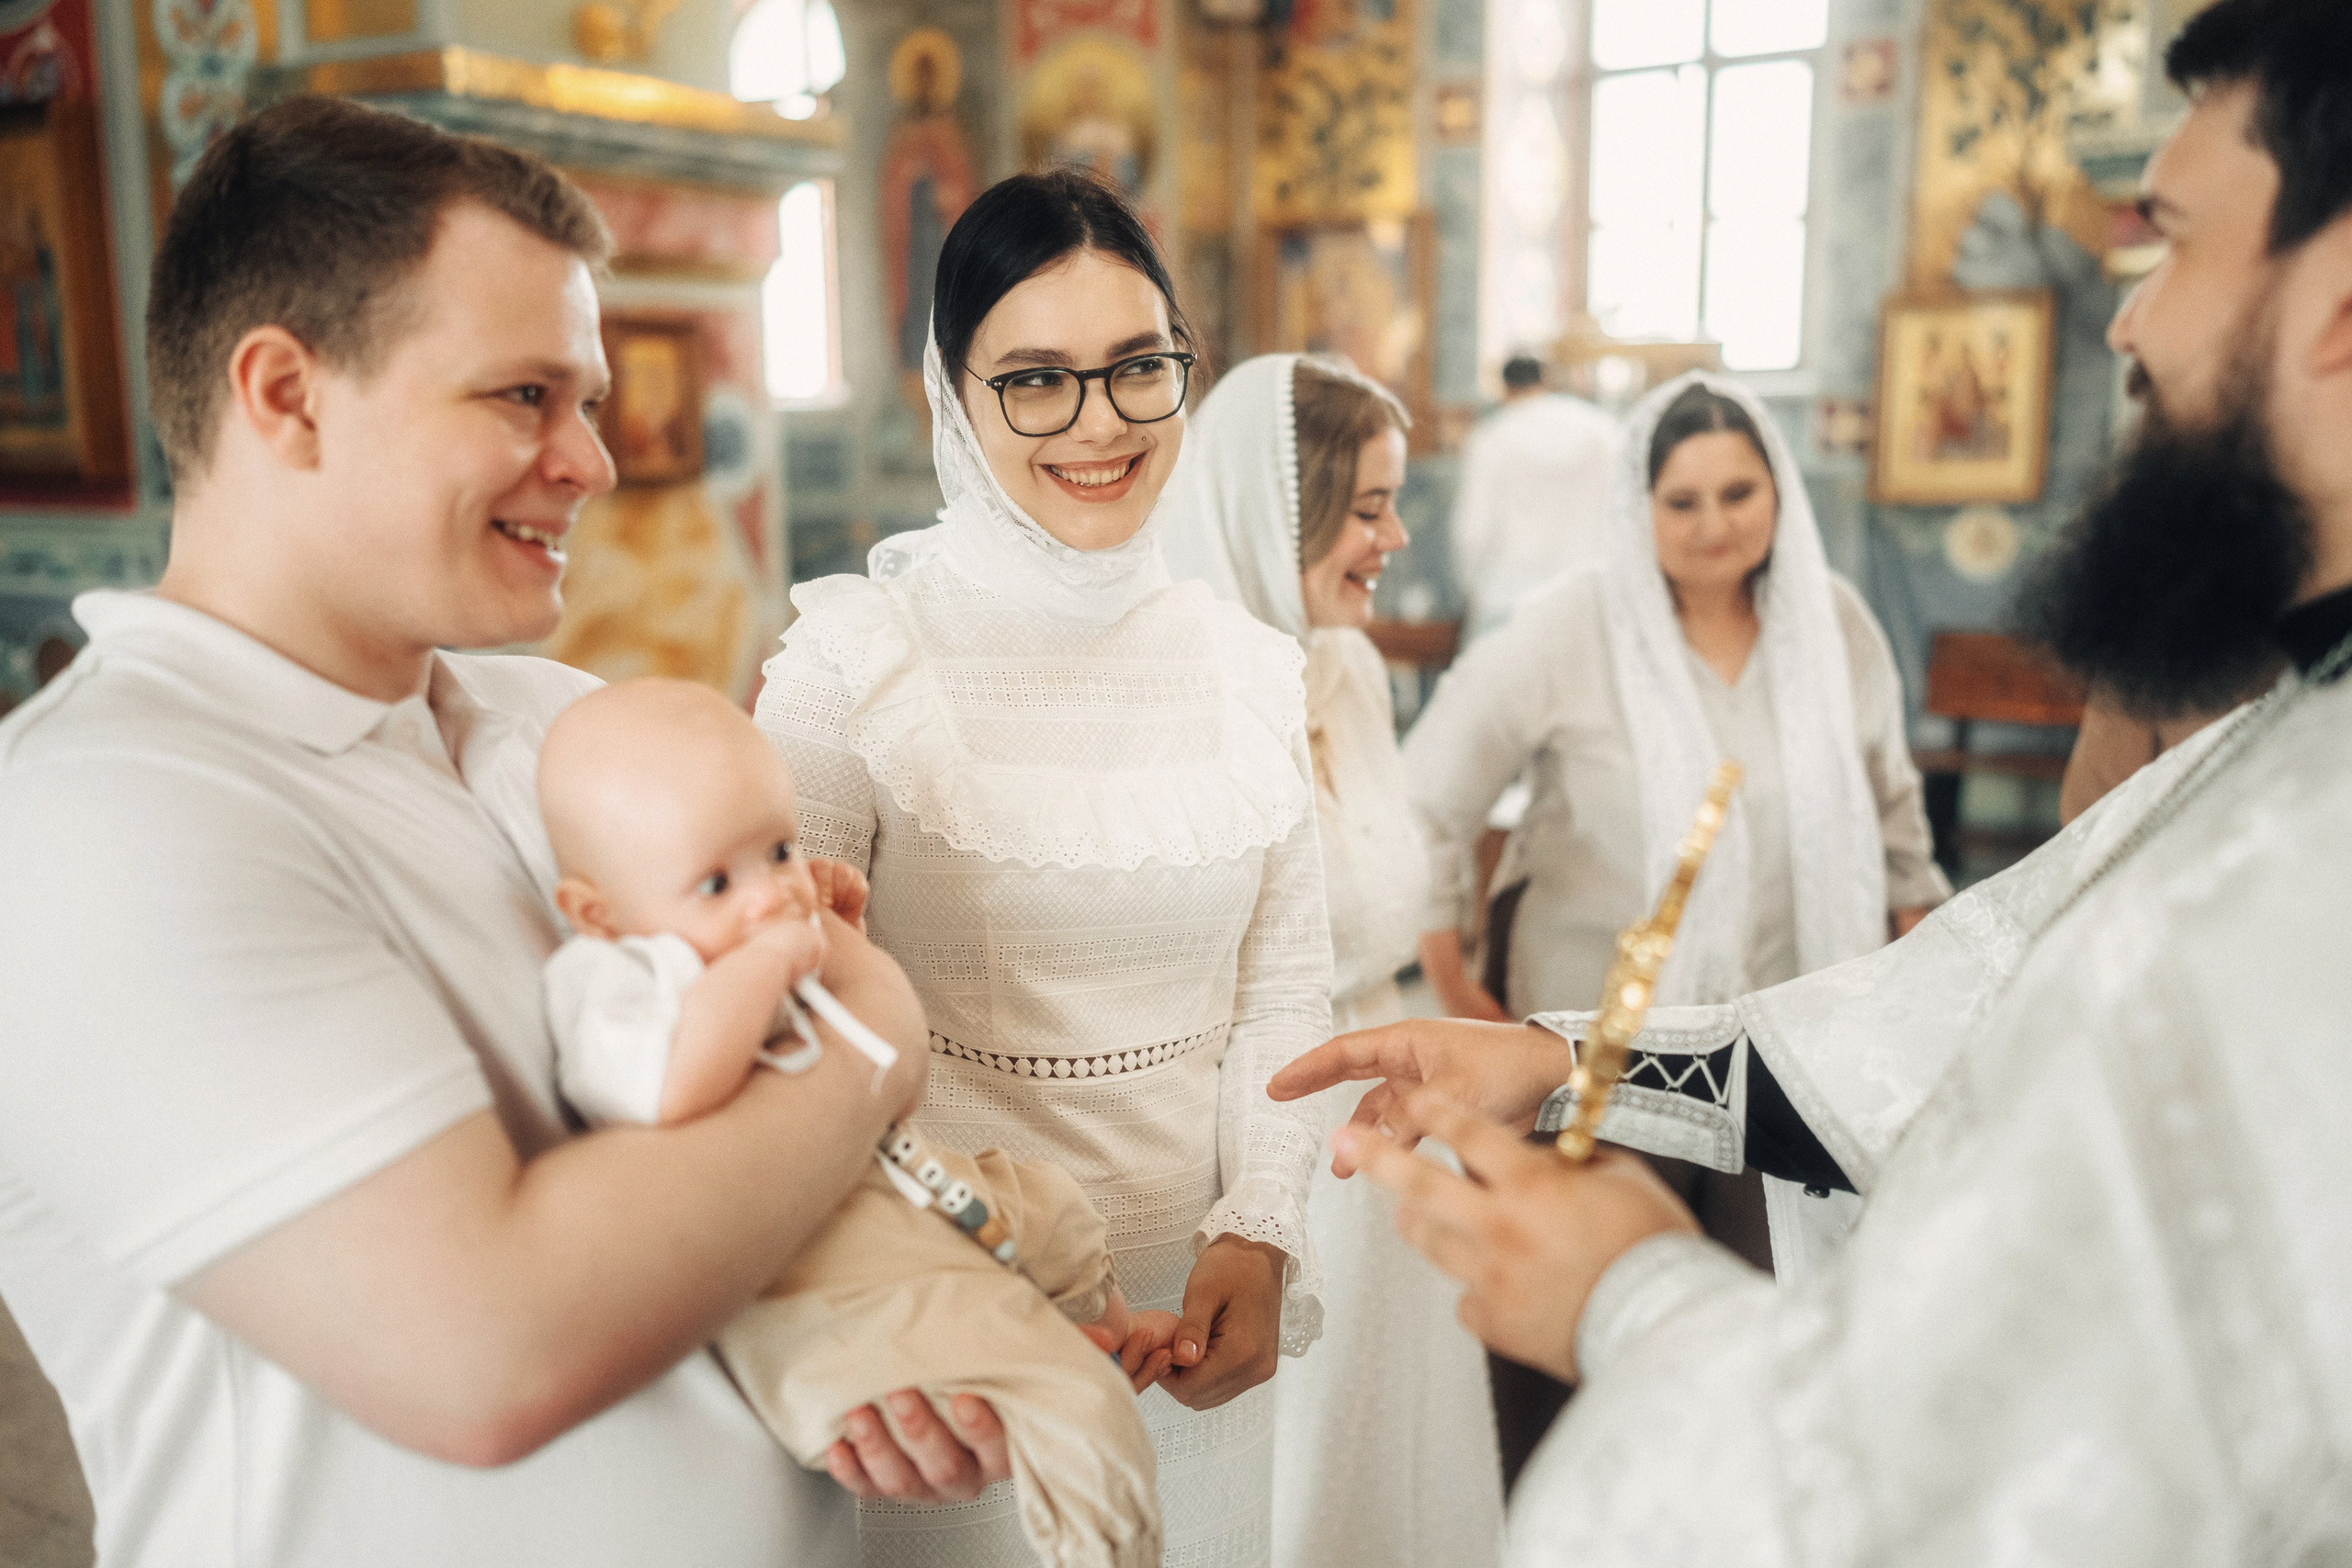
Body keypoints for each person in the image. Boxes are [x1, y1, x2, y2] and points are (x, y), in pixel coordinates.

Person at [1267, 3, 2352, 1558]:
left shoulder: (2307, 865)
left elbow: (1995, 1481)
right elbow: (1926, 1030)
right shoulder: (2288, 745)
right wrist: (1557, 1062)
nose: (2127, 324)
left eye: (2168, 244)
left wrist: (1632, 1294)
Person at [0, 96, 1000, 1568]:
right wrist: (882, 1027)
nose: (591, 459)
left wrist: (861, 1336)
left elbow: (726, 1140)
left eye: (587, 398)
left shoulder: (554, 720)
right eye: (524, 396)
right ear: (285, 393)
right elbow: (488, 1348)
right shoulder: (97, 816)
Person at [756, 169, 1333, 1567]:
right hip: (947, 1335)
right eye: (1036, 381)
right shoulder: (852, 665)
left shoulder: (1250, 668)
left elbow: (1288, 982)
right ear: (951, 398)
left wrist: (1258, 1231)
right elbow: (785, 1030)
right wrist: (957, 1280)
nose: (1101, 423)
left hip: (1194, 1322)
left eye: (1140, 368)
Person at [536, 678, 1175, 1568]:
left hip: (900, 1177)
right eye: (719, 879)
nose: (769, 894)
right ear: (595, 912)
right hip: (819, 1277)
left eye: (780, 850)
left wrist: (846, 935)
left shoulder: (748, 932)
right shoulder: (613, 981)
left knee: (1056, 1206)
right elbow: (665, 1093)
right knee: (1072, 1405)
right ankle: (1103, 1533)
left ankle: (1099, 1326)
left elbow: (871, 1056)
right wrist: (767, 966)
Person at [1162, 353, 1507, 1567]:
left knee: (1384, 1472)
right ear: (1281, 510)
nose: (1395, 536)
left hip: (1386, 1120)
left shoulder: (1350, 667)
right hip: (1259, 1140)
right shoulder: (1183, 695)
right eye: (1367, 508)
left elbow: (1395, 871)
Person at [1446, 355, 1622, 639]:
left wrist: (1470, 589)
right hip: (1585, 595)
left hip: (1506, 598)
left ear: (1505, 388)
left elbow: (1472, 530)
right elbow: (1619, 511)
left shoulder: (1491, 437)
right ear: (1546, 380)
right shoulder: (1601, 431)